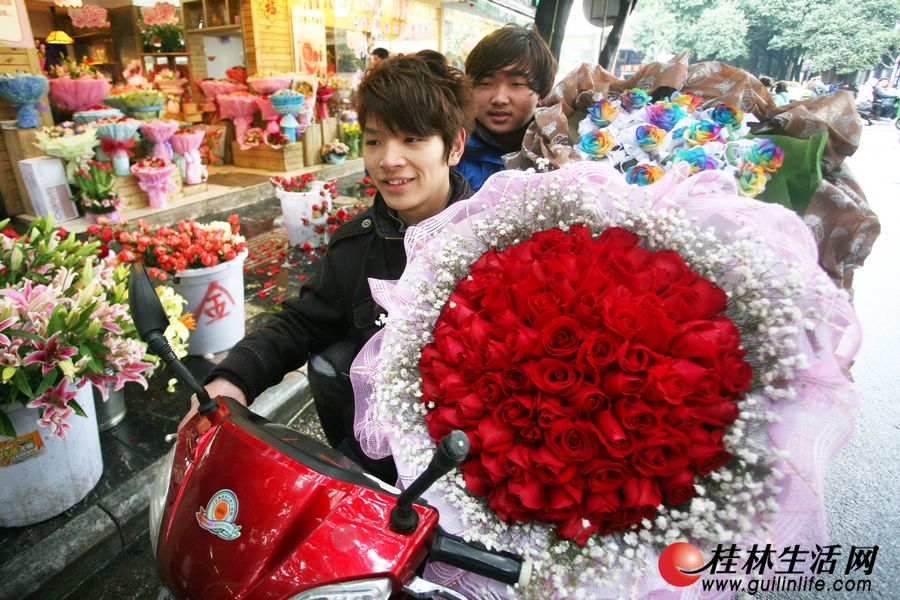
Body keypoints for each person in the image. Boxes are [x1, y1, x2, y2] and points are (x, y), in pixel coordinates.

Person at [186, 51, 474, 482]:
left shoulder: (493, 243)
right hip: (379, 463)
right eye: (375, 141)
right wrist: (232, 379)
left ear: (454, 147)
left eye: (412, 139)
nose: (388, 160)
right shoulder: (356, 247)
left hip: (470, 467)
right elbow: (301, 324)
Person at [457, 24, 557, 192]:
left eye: (517, 84)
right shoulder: (450, 152)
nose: (499, 99)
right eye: (485, 83)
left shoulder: (557, 154)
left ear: (541, 94)